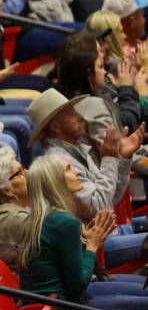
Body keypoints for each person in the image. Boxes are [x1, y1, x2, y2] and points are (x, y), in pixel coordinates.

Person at [19, 155, 148, 310]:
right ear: (55, 181)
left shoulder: (49, 216)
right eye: (69, 169)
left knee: (142, 298)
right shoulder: (62, 222)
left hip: (54, 309)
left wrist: (88, 244)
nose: (76, 172)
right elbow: (78, 283)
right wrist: (93, 245)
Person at [27, 88, 146, 267]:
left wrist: (122, 158)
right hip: (94, 248)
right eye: (72, 114)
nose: (80, 116)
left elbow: (110, 198)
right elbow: (98, 207)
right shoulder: (57, 163)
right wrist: (109, 158)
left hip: (109, 232)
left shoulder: (80, 148)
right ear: (55, 126)